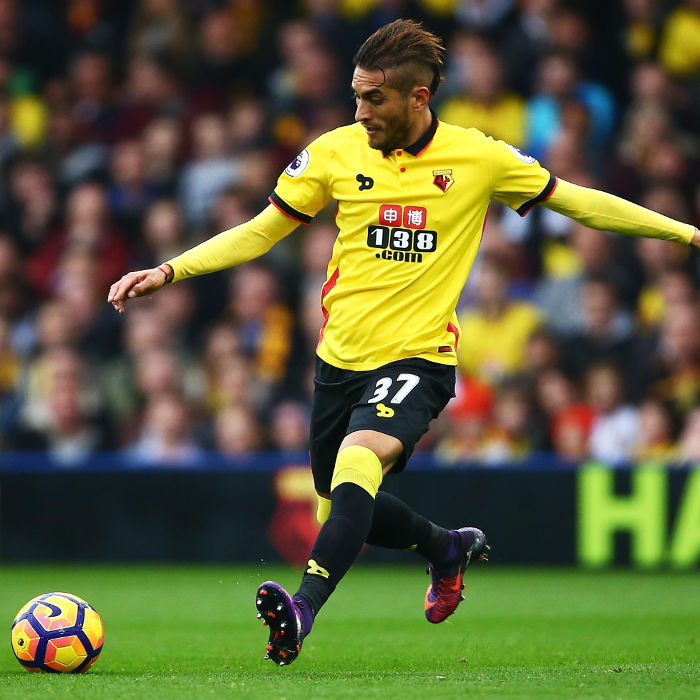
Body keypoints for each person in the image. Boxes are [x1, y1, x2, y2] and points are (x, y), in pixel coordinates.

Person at [108, 19, 700, 667]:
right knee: (341, 498)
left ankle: (302, 609)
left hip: (419, 358)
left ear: (419, 97)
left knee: (359, 460)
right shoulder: (334, 152)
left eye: (374, 99)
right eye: (356, 97)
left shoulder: (478, 157)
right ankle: (447, 547)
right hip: (338, 362)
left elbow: (581, 203)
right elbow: (259, 232)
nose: (360, 112)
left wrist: (688, 234)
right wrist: (170, 270)